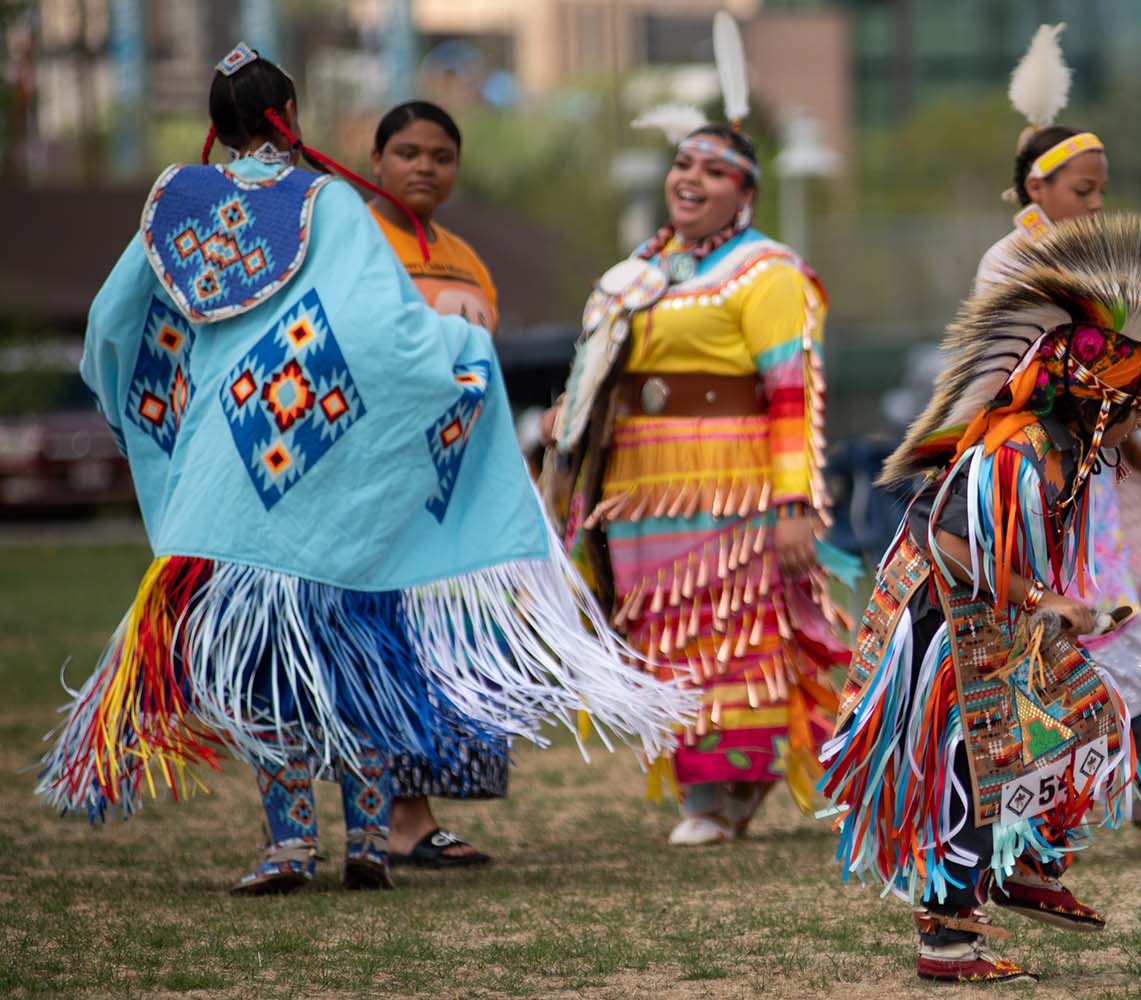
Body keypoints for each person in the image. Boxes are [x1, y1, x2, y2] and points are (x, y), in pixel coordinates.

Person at [36, 44, 694, 894]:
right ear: (292, 118)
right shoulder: (327, 202)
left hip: (228, 471)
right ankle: (369, 846)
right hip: (328, 459)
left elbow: (111, 329)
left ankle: (287, 848)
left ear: (217, 124)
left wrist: (149, 408)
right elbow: (386, 331)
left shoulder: (178, 203)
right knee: (360, 651)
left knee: (265, 663)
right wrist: (457, 355)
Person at [820, 212, 1141, 983]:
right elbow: (951, 547)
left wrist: (1052, 608)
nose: (1138, 427)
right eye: (1133, 412)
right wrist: (1044, 601)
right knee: (964, 768)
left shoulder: (1062, 454)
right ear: (1099, 404)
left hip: (984, 619)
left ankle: (1028, 862)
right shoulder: (1017, 451)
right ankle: (950, 942)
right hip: (938, 627)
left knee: (1086, 713)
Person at [542, 14, 850, 847]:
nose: (693, 179)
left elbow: (796, 393)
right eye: (685, 163)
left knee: (735, 634)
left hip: (733, 480)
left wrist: (796, 503)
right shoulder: (635, 274)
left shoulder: (768, 271)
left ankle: (729, 793)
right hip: (640, 484)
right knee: (662, 632)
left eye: (716, 172)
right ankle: (699, 786)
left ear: (745, 195)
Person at [974, 23, 1141, 851]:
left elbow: (1131, 371)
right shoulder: (1007, 265)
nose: (1096, 204)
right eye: (1083, 191)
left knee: (1100, 617)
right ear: (1037, 188)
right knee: (1029, 623)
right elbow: (1024, 374)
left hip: (1094, 477)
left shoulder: (1099, 262)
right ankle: (1037, 793)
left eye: (1101, 190)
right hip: (1024, 474)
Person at [367, 99, 503, 868]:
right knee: (379, 641)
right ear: (376, 159)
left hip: (447, 485)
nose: (425, 167)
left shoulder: (464, 258)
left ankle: (411, 813)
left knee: (433, 643)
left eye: (441, 156)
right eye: (408, 152)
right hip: (370, 476)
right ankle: (390, 817)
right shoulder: (351, 242)